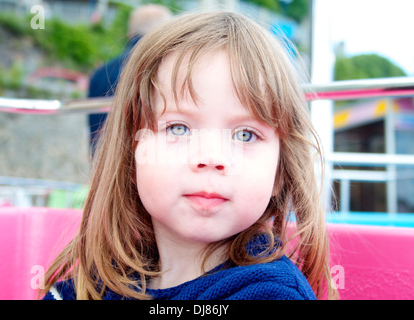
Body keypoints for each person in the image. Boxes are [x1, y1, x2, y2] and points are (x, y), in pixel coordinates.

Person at [42, 11, 338, 300]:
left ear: (280, 171)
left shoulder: (272, 294)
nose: (211, 157)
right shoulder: (86, 288)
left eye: (245, 134)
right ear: (131, 156)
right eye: (179, 128)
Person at [87, 4, 172, 155]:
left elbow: (94, 130)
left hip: (103, 167)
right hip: (146, 166)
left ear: (130, 33)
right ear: (166, 32)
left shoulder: (100, 73)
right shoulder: (167, 72)